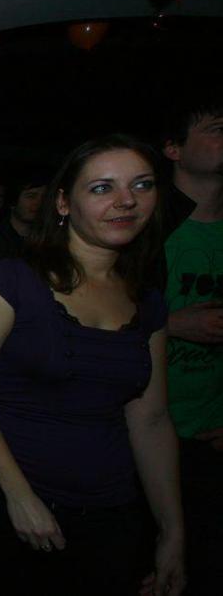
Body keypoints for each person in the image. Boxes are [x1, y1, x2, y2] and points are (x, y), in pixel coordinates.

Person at [0, 134, 186, 596]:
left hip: (110, 516)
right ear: (63, 203)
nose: (126, 200)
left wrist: (172, 530)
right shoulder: (14, 280)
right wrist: (19, 496)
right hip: (7, 510)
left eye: (141, 185)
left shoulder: (148, 301)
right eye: (102, 188)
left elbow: (152, 419)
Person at [160, 89, 223, 596]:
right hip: (148, 436)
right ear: (174, 149)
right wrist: (171, 324)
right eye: (215, 128)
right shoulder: (142, 227)